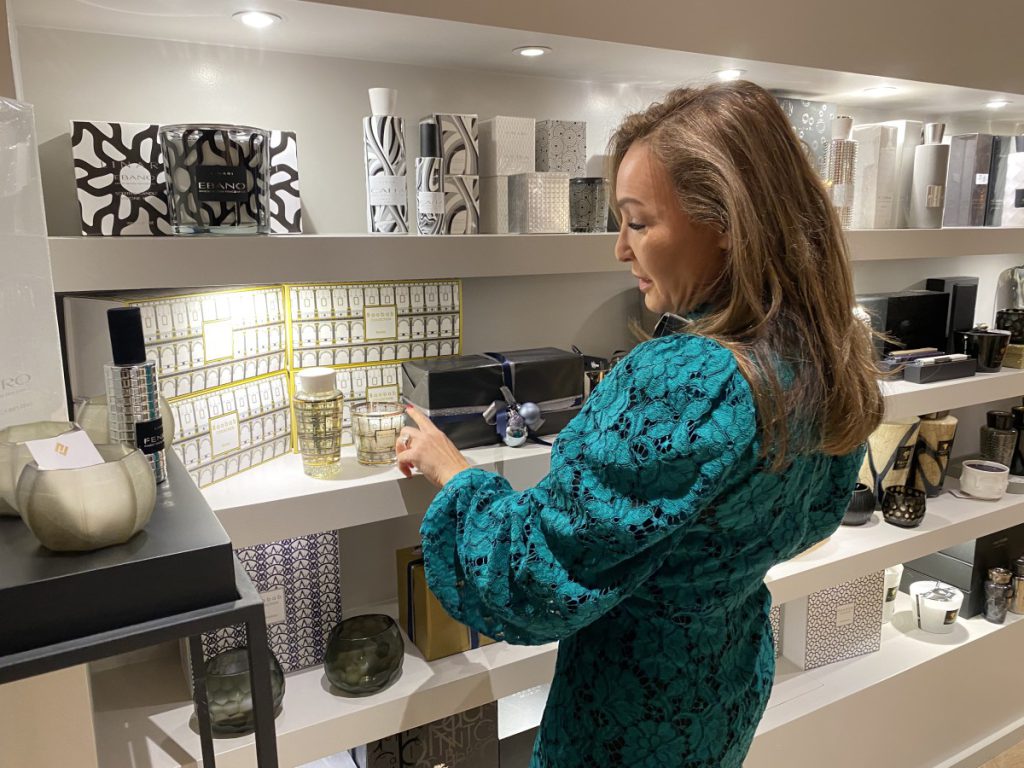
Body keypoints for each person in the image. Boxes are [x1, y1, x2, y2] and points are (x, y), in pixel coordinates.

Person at [396, 80, 884, 768]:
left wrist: (454, 474)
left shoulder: (686, 381)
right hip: (724, 681)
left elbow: (530, 577)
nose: (620, 250)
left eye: (638, 222)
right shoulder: (822, 354)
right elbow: (813, 518)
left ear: (726, 222)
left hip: (627, 715)